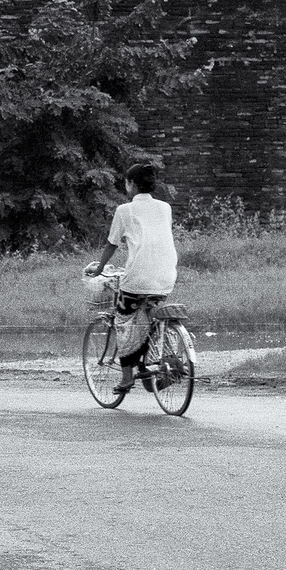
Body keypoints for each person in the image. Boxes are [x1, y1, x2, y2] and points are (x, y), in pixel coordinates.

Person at [83, 162, 178, 395]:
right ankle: (154, 361)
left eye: (126, 183)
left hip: (138, 277)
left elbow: (112, 243)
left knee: (123, 321)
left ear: (132, 184)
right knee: (150, 316)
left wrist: (100, 268)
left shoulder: (125, 210)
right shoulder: (165, 207)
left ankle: (126, 379)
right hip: (166, 275)